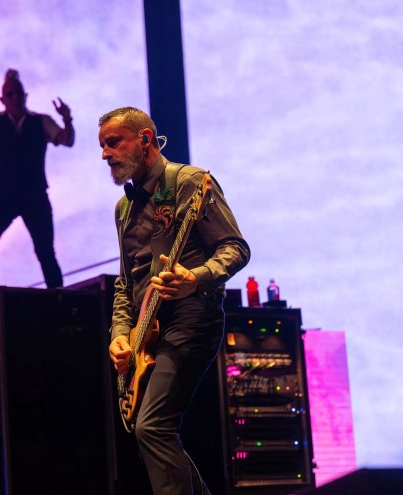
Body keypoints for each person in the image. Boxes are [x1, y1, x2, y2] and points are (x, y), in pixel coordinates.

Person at [98, 107, 250, 494]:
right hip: (147, 331)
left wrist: (194, 279)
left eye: (113, 143)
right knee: (150, 429)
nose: (104, 154)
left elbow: (235, 248)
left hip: (191, 317)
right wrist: (120, 335)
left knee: (152, 425)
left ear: (145, 138)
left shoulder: (189, 182)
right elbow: (125, 283)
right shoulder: (123, 209)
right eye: (102, 146)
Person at [0, 69, 74, 292]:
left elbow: (67, 140)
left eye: (18, 93)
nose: (15, 98)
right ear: (3, 99)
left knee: (45, 251)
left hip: (34, 194)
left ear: (25, 96)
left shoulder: (41, 121)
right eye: (10, 94)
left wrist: (67, 118)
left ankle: (61, 301)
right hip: (2, 195)